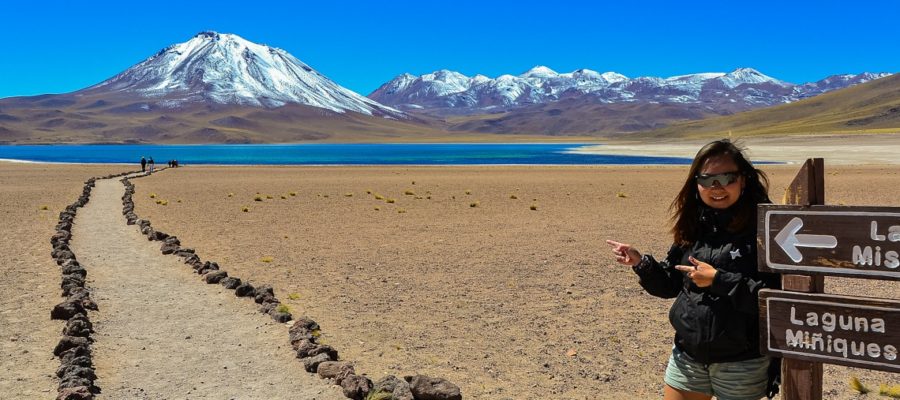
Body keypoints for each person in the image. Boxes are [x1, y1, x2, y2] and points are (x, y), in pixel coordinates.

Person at [606, 139, 780, 400]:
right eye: (708, 180)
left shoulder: (767, 229)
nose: (717, 187)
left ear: (743, 180)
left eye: (727, 178)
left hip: (742, 363)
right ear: (696, 183)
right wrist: (641, 264)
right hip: (688, 357)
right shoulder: (695, 226)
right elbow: (670, 285)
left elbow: (778, 300)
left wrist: (719, 280)